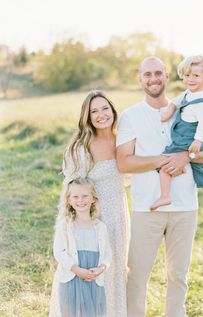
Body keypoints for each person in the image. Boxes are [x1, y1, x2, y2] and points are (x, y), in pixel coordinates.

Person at [116, 57, 203, 317]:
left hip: (185, 206)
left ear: (166, 77)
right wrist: (163, 160)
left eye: (158, 73)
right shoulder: (130, 116)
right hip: (147, 207)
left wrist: (187, 156)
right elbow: (124, 162)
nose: (153, 79)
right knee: (137, 275)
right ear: (140, 79)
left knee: (178, 275)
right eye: (147, 74)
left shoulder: (187, 106)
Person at [62, 90, 130, 317]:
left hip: (119, 216)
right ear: (88, 117)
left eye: (105, 108)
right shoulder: (82, 147)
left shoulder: (124, 138)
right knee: (94, 272)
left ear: (112, 110)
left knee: (117, 270)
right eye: (94, 111)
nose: (101, 115)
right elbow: (71, 188)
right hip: (92, 220)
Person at [150, 55, 203, 222]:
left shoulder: (202, 102)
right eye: (187, 75)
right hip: (187, 137)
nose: (190, 79)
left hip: (188, 139)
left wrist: (196, 141)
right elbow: (175, 101)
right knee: (198, 170)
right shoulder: (188, 93)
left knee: (165, 161)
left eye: (196, 76)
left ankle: (165, 195)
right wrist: (170, 110)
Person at [51, 177, 111, 317]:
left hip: (92, 280)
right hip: (72, 279)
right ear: (69, 200)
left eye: (85, 196)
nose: (80, 200)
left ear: (93, 199)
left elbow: (108, 253)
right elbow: (59, 252)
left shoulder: (100, 227)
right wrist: (77, 270)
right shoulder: (65, 225)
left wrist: (101, 268)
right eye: (75, 196)